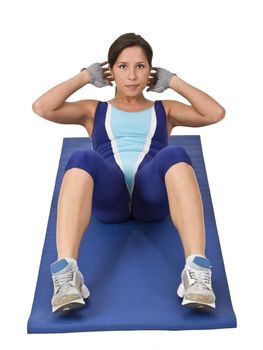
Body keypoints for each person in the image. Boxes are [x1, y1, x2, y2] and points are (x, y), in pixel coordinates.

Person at [32, 32, 225, 313]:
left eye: (140, 66)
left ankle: (196, 271)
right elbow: (42, 107)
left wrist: (174, 82)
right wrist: (85, 76)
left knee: (175, 153)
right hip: (109, 199)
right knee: (81, 157)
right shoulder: (93, 110)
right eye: (123, 66)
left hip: (152, 198)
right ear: (110, 71)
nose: (132, 75)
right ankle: (68, 273)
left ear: (151, 72)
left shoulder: (165, 110)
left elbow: (215, 113)